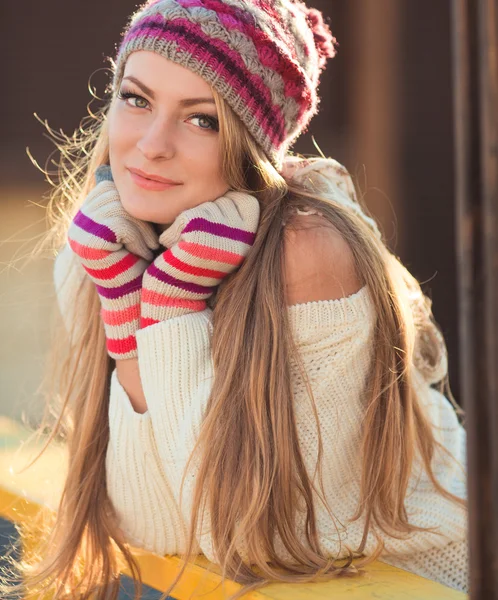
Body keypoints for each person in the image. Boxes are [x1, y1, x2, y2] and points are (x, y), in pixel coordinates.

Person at [0, 1, 467, 599]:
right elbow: (149, 522)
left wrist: (168, 307)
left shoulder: (309, 250)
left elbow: (253, 538)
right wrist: (127, 302)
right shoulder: (105, 242)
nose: (151, 145)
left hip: (429, 578)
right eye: (137, 99)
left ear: (250, 146)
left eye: (202, 120)